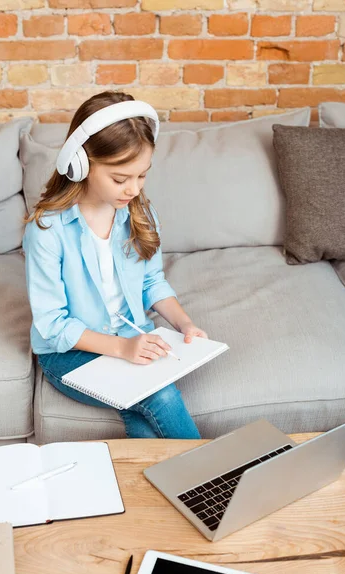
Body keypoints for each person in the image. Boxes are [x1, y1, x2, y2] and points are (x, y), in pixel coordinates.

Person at [23, 90, 208, 439]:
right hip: (68, 354)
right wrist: (123, 349)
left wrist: (185, 325)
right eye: (120, 179)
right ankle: (212, 482)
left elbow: (152, 283)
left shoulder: (141, 213)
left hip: (132, 335)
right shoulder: (47, 230)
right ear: (80, 164)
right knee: (161, 394)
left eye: (142, 176)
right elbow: (52, 324)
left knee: (143, 412)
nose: (133, 190)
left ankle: (166, 490)